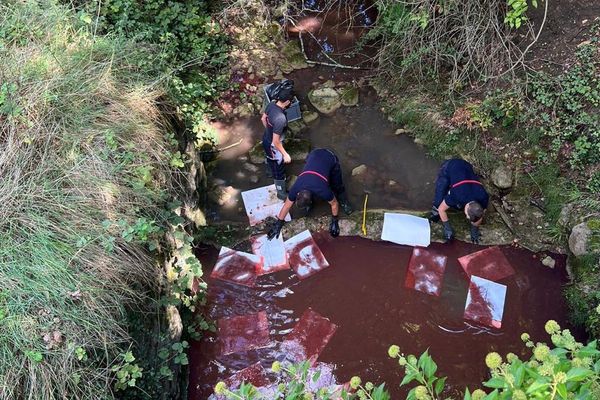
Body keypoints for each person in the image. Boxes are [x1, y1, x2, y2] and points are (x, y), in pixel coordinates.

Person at [267, 148, 353, 239]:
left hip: (329, 157)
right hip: (313, 154)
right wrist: (279, 223)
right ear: (297, 194)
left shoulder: (323, 190)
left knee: (337, 186)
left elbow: (334, 204)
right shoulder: (296, 188)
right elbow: (287, 206)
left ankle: (344, 201)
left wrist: (334, 220)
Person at [430, 159, 489, 244]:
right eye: (467, 216)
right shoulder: (458, 195)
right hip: (451, 166)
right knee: (438, 200)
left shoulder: (484, 197)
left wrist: (474, 229)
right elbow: (441, 209)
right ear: (467, 207)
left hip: (466, 167)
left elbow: (480, 216)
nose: (466, 217)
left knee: (454, 204)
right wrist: (447, 228)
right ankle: (434, 213)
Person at [261, 87, 293, 200]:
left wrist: (269, 131)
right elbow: (276, 141)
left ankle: (269, 171)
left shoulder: (271, 104)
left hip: (266, 138)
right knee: (279, 167)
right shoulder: (280, 119)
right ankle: (281, 193)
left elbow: (263, 118)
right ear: (288, 102)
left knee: (270, 157)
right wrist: (285, 154)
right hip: (273, 145)